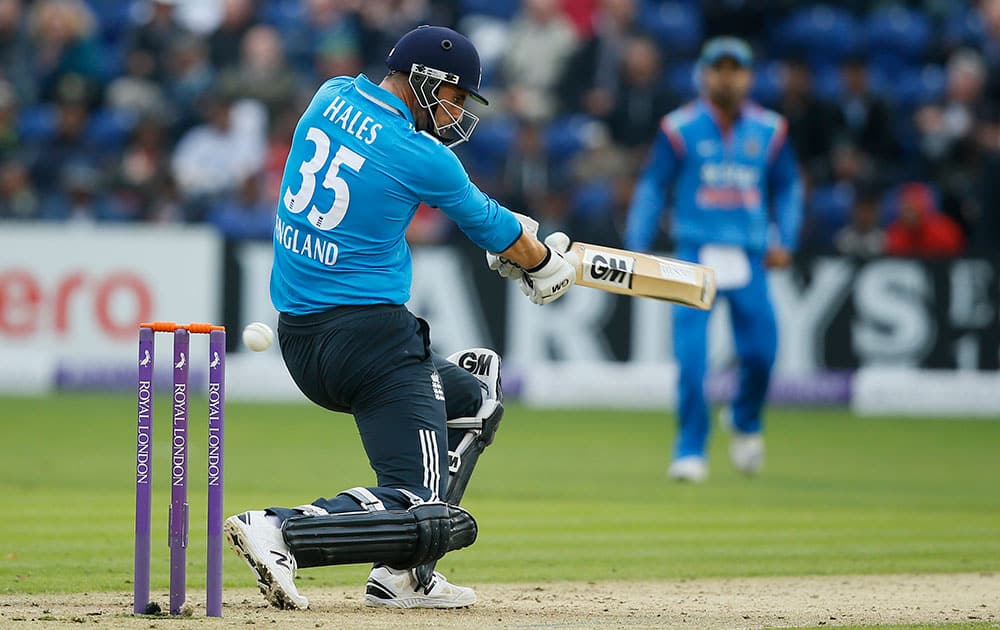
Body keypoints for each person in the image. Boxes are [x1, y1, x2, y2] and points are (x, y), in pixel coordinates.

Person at [224, 25, 577, 611]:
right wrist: (542, 263)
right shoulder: (422, 155)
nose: (458, 111)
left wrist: (505, 232)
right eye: (456, 96)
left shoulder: (330, 94)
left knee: (473, 402)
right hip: (371, 339)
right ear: (425, 80)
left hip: (301, 336)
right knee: (424, 506)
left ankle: (403, 576)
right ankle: (281, 530)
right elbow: (489, 224)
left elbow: (456, 205)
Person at [623, 37, 803, 483]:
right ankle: (689, 448)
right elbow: (651, 187)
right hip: (694, 255)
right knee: (693, 360)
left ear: (748, 76)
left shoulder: (770, 130)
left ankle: (744, 419)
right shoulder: (679, 128)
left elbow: (789, 187)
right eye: (718, 68)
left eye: (735, 68)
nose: (726, 76)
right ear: (703, 75)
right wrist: (636, 242)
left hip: (748, 254)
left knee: (761, 354)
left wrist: (787, 236)